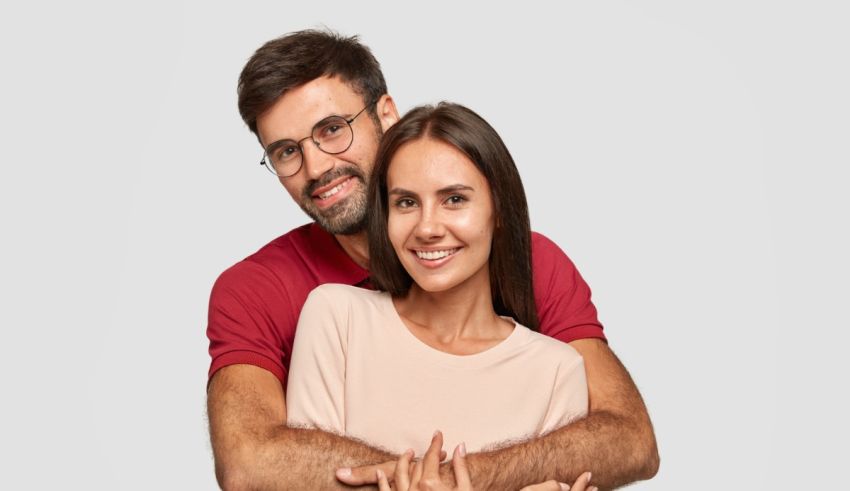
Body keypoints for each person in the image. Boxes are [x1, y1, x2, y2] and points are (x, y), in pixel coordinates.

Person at [206, 29, 658, 490]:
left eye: (332, 130)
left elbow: (628, 438)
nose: (317, 167)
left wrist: (455, 481)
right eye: (286, 151)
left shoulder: (530, 260)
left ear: (386, 115)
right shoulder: (263, 290)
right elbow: (250, 463)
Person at [287, 101, 589, 463]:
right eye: (406, 203)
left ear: (499, 211)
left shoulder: (556, 372)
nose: (427, 228)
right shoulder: (337, 318)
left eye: (455, 199)